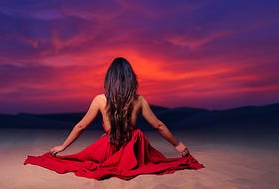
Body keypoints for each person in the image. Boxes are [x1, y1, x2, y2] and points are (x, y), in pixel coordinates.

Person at [24, 57, 204, 180]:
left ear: (109, 79)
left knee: (79, 161)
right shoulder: (138, 100)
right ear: (131, 78)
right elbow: (158, 125)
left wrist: (63, 146)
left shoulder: (100, 100)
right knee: (156, 162)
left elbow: (80, 126)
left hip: (109, 147)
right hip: (134, 149)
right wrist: (177, 144)